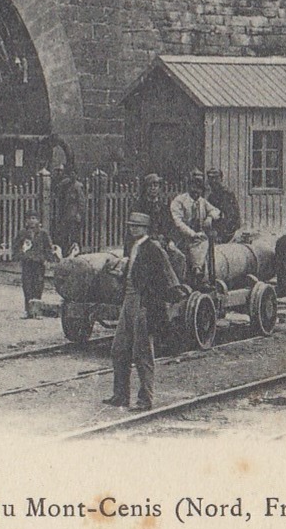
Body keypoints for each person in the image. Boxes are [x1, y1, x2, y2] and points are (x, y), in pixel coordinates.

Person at [105, 212, 182, 411]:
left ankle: (145, 399)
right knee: (119, 349)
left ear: (145, 229)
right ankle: (120, 395)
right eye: (131, 226)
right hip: (128, 301)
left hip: (143, 303)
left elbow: (168, 274)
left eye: (137, 226)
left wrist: (167, 298)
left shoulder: (153, 248)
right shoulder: (133, 247)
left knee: (143, 353)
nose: (133, 229)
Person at [170, 170, 220, 286]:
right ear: (189, 187)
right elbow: (178, 222)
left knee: (204, 242)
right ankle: (190, 276)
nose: (196, 191)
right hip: (180, 238)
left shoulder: (202, 202)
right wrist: (192, 233)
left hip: (196, 239)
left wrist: (210, 218)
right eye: (194, 187)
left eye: (199, 188)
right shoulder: (179, 201)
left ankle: (200, 275)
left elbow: (216, 210)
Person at [12, 211, 55, 319]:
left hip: (39, 263)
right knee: (27, 286)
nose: (32, 221)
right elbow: (16, 246)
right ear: (26, 221)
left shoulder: (43, 233)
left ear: (38, 220)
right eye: (29, 218)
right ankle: (28, 310)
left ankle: (37, 311)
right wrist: (19, 256)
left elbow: (48, 247)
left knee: (38, 285)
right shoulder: (22, 233)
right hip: (27, 262)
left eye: (34, 218)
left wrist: (48, 260)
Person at [53, 166, 88, 256]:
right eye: (70, 174)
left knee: (75, 235)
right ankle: (65, 252)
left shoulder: (78, 186)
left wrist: (79, 214)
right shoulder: (66, 184)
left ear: (76, 175)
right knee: (65, 234)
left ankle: (77, 252)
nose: (72, 176)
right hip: (66, 214)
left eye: (73, 174)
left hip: (74, 214)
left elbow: (81, 201)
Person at [206, 169, 240, 245]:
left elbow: (231, 217)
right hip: (216, 231)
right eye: (211, 179)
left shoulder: (226, 194)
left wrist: (221, 234)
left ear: (221, 179)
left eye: (216, 178)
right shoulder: (211, 196)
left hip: (228, 232)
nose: (213, 181)